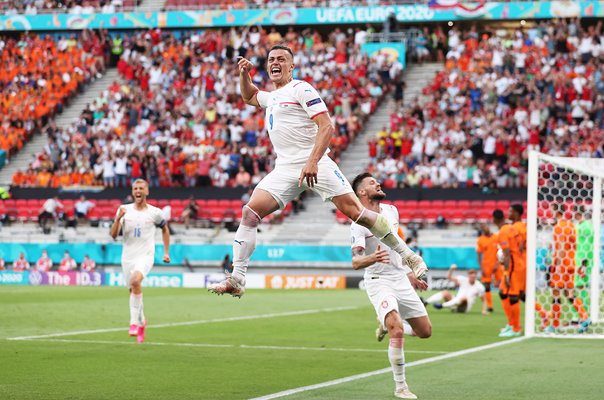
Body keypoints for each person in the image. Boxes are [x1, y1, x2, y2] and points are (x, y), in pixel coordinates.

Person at [209, 45, 427, 298]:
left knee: (358, 213)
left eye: (281, 59)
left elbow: (327, 126)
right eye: (271, 60)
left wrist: (312, 161)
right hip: (285, 167)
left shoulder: (301, 88)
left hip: (316, 162)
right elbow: (249, 97)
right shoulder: (272, 96)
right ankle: (237, 278)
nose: (275, 63)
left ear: (291, 66)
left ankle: (409, 256)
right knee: (249, 213)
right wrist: (244, 75)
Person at [350, 172, 431, 400]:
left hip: (399, 277)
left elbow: (398, 243)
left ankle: (384, 323)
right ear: (362, 193)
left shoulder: (391, 210)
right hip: (378, 280)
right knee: (397, 327)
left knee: (425, 332)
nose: (377, 183)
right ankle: (401, 387)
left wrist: (408, 272)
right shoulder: (358, 223)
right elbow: (356, 262)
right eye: (371, 182)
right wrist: (371, 258)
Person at [110, 179, 171, 344]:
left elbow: (165, 229)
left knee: (135, 281)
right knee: (134, 290)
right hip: (127, 257)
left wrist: (166, 252)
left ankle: (133, 323)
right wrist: (118, 220)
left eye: (141, 188)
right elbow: (113, 235)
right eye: (135, 188)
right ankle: (142, 321)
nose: (138, 191)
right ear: (132, 192)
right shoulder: (124, 210)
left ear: (147, 191)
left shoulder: (155, 212)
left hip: (146, 255)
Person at [546, 206, 590, 333]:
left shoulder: (559, 226)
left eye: (552, 210)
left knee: (555, 293)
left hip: (562, 264)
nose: (551, 213)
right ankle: (584, 317)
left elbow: (560, 247)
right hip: (571, 262)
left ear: (557, 211)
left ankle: (554, 325)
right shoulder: (571, 225)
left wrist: (558, 266)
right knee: (569, 293)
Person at [493, 209, 524, 337]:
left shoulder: (503, 232)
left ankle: (516, 328)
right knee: (503, 293)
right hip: (518, 264)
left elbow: (506, 254)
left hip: (513, 267)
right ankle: (511, 324)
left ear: (494, 220)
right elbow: (521, 244)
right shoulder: (512, 228)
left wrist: (505, 273)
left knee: (513, 296)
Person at [476, 224, 500, 312]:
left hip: (498, 265)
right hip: (486, 266)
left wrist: (497, 263)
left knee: (503, 283)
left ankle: (509, 301)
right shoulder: (481, 240)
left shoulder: (496, 237)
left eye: (486, 227)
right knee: (487, 286)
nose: (486, 229)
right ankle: (490, 305)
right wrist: (481, 268)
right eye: (483, 228)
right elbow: (479, 255)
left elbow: (501, 250)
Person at [574, 207, 593, 315]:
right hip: (576, 259)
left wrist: (584, 264)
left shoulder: (587, 226)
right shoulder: (578, 225)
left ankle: (583, 314)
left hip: (583, 261)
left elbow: (588, 244)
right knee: (576, 288)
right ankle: (578, 315)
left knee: (581, 287)